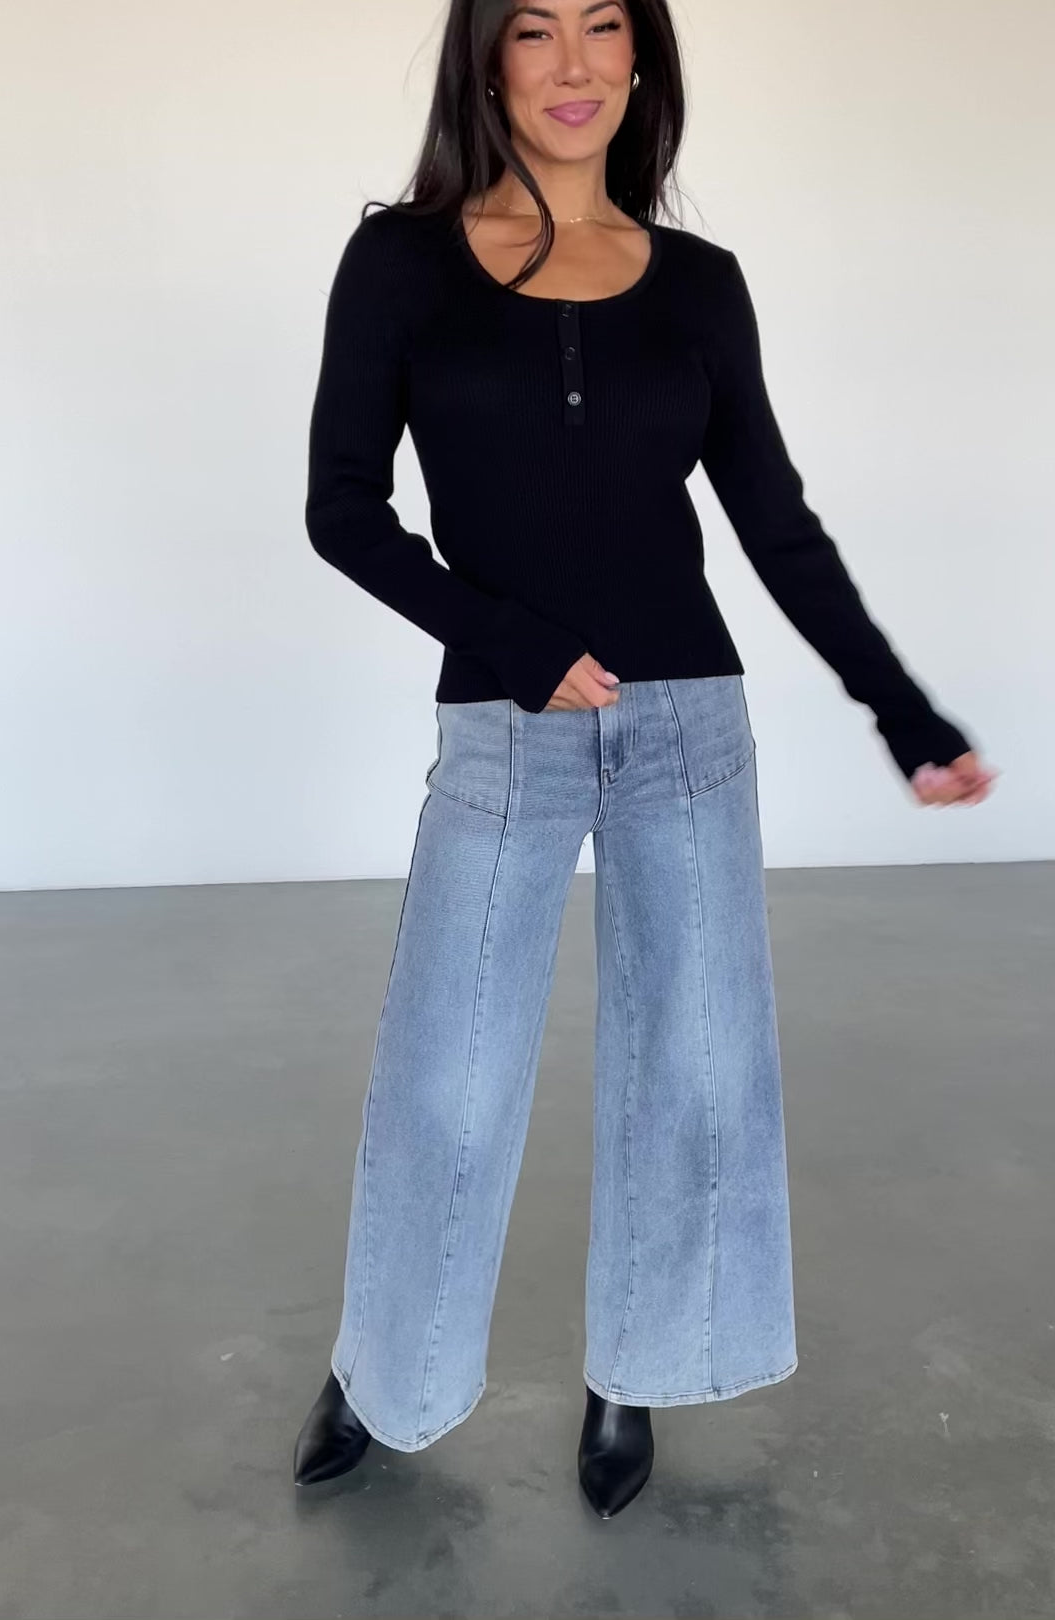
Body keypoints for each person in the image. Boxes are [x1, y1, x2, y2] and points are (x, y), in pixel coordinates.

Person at [291, 0, 998, 1519]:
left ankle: (641, 1368)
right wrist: (510, 641)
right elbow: (342, 509)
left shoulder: (700, 285)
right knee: (449, 1080)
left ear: (641, 58)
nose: (573, 64)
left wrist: (903, 712)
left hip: (688, 724)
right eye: (534, 30)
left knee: (696, 1069)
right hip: (506, 723)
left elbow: (774, 522)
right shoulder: (401, 261)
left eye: (603, 26)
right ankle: (381, 1365)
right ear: (487, 59)